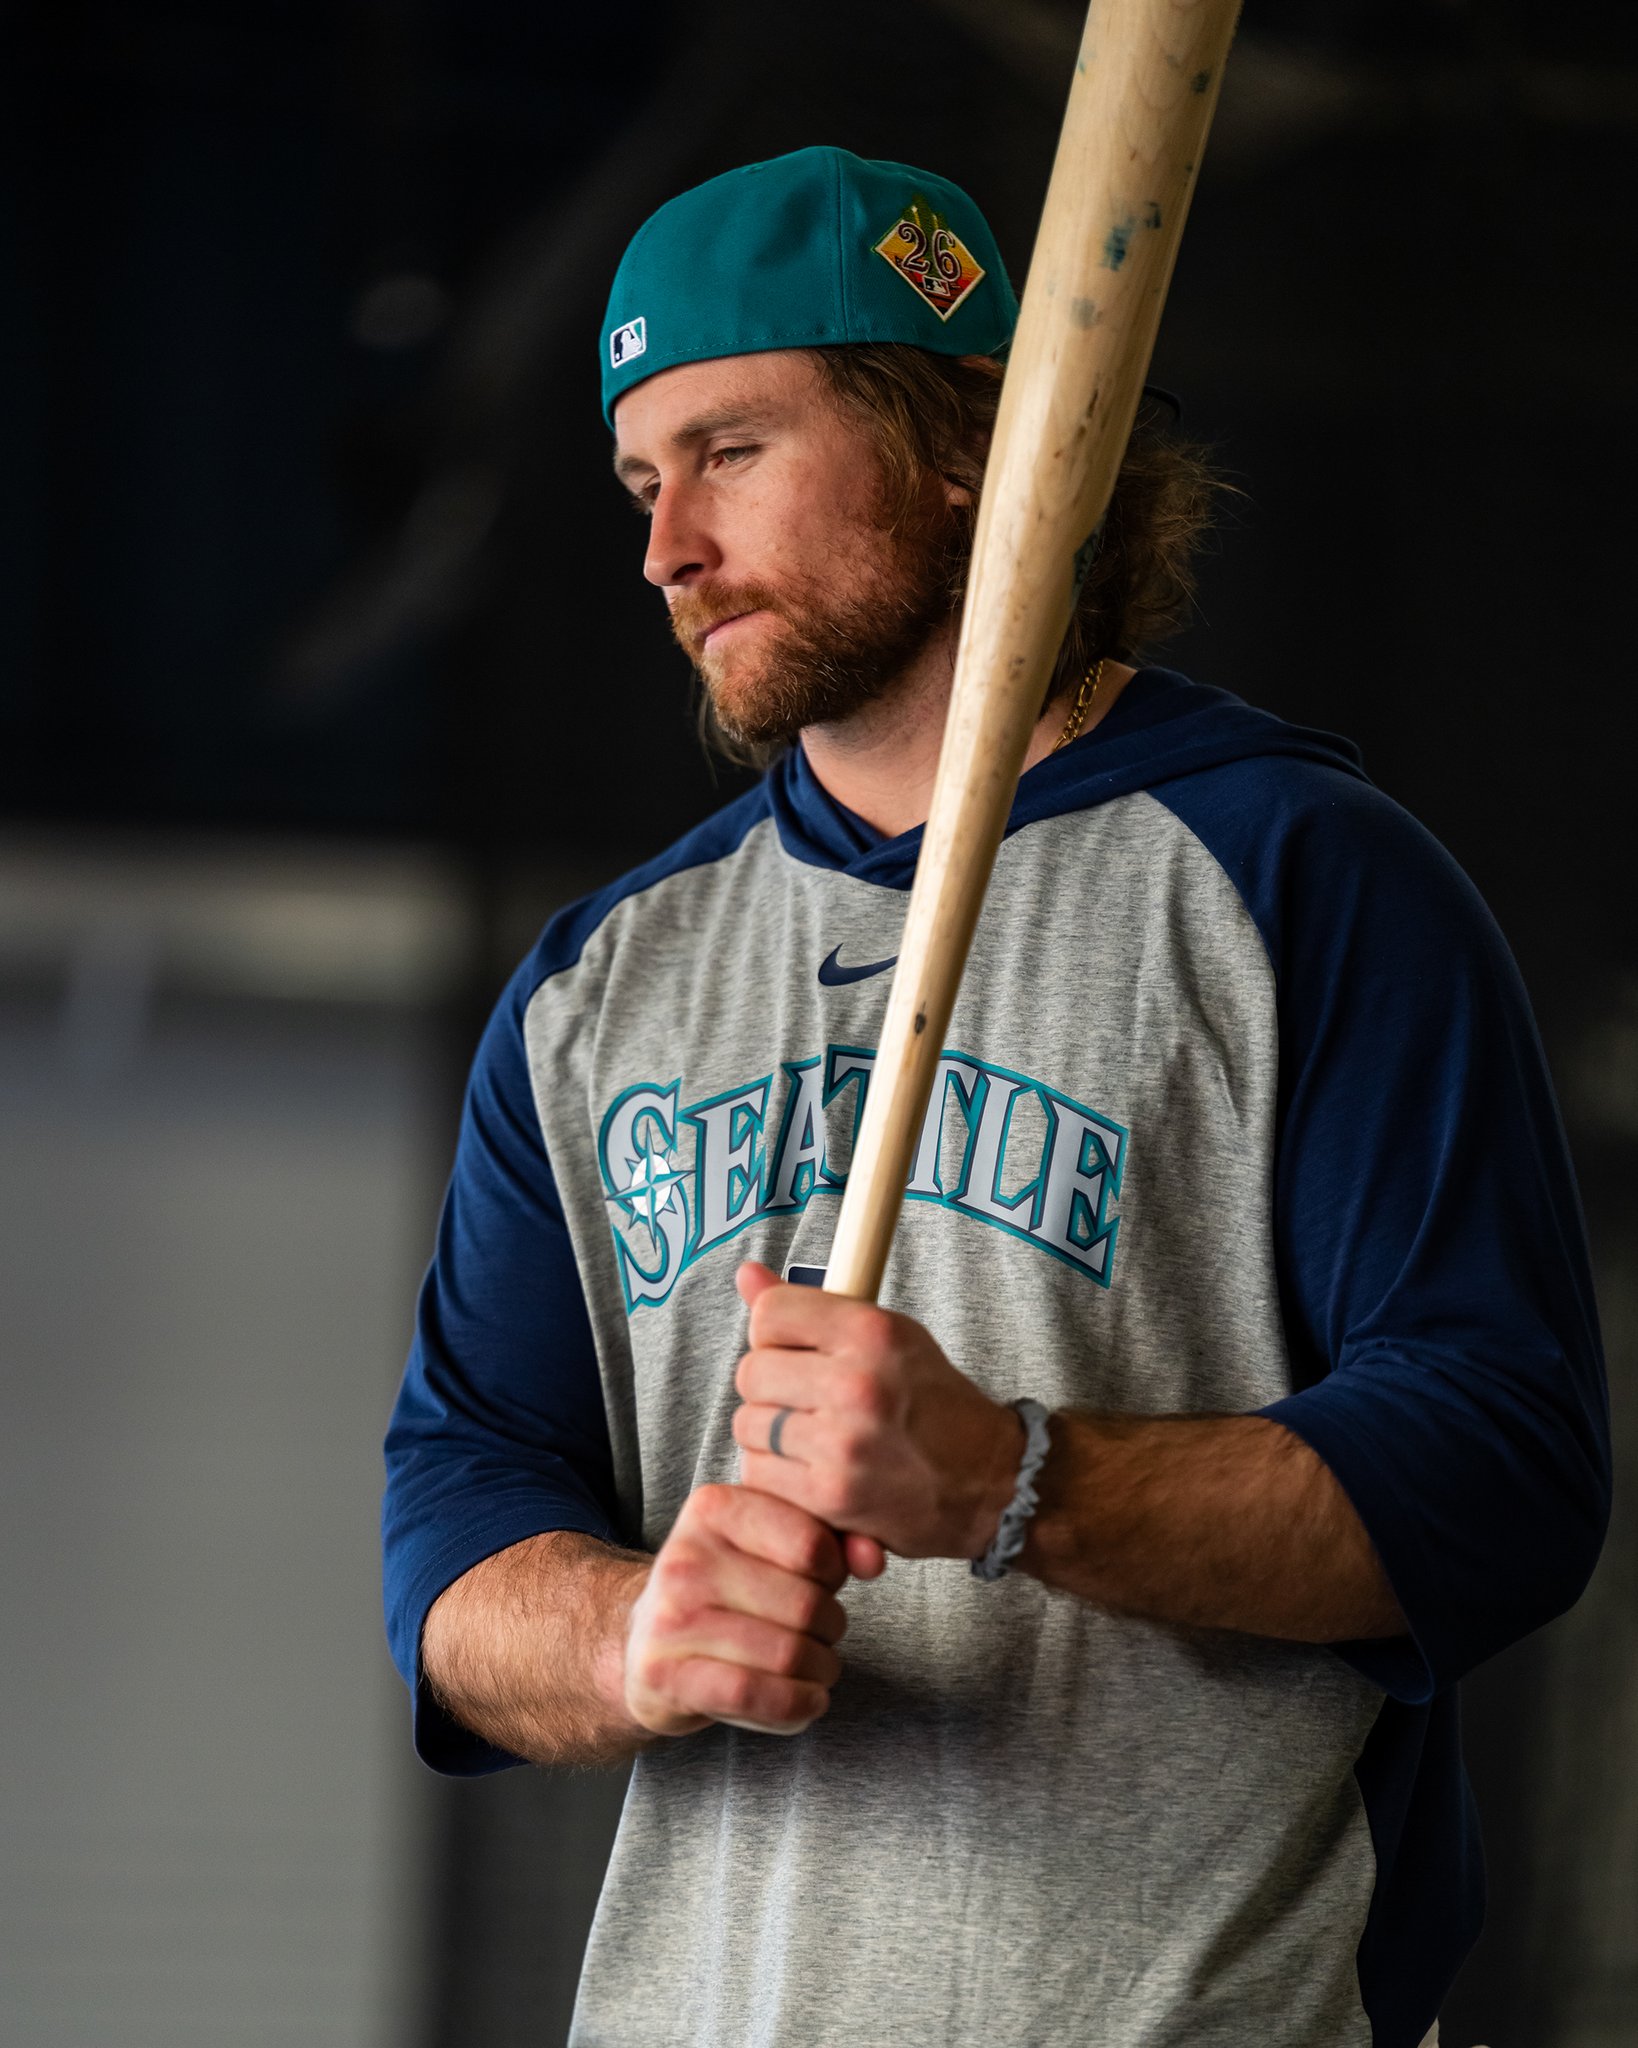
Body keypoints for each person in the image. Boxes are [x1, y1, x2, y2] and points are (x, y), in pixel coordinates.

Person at [381, 147, 1610, 2047]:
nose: (665, 550)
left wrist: (1010, 1480)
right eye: (641, 482)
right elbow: (460, 1516)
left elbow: (1500, 1475)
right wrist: (629, 1632)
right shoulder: (594, 988)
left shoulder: (1299, 875)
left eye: (730, 453)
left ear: (962, 446)